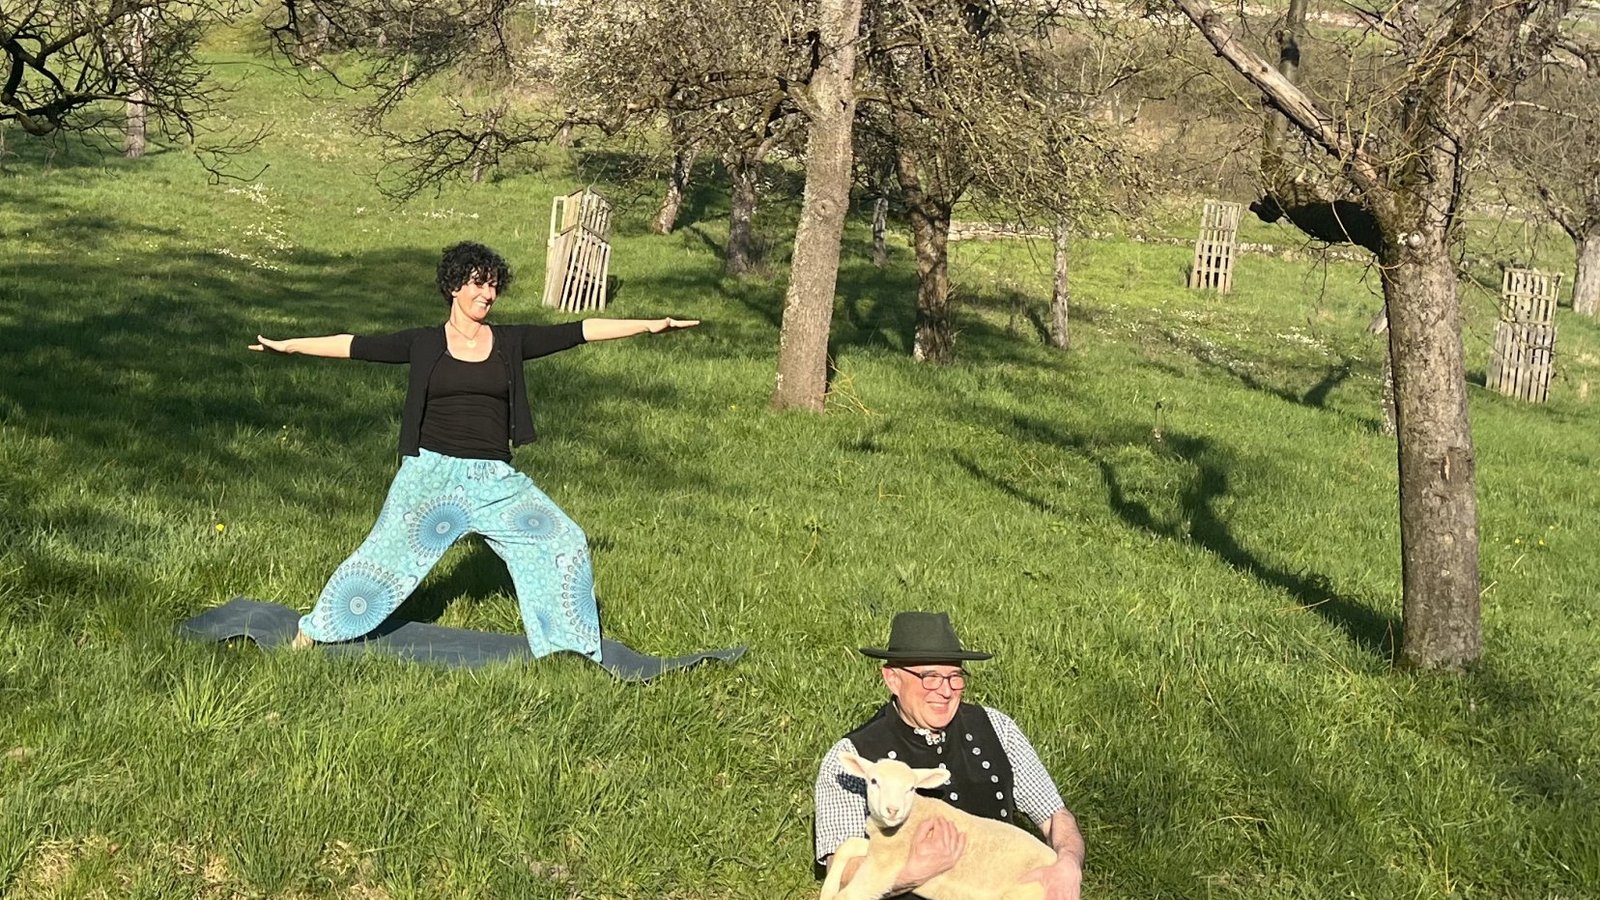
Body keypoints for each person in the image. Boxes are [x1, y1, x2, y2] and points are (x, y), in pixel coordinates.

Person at [249, 240, 697, 659]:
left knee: (564, 540)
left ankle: (568, 645)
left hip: (495, 482)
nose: (489, 294)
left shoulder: (510, 342)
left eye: (494, 286)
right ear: (454, 286)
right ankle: (318, 629)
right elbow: (353, 345)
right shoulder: (423, 342)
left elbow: (578, 331)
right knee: (382, 559)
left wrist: (647, 325)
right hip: (431, 475)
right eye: (480, 284)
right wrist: (290, 345)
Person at [814, 611, 1085, 900]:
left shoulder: (996, 728)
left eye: (955, 677)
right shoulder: (852, 755)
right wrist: (912, 873)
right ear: (892, 679)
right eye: (930, 677)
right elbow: (841, 870)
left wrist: (1068, 864)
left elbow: (1056, 815)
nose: (945, 691)